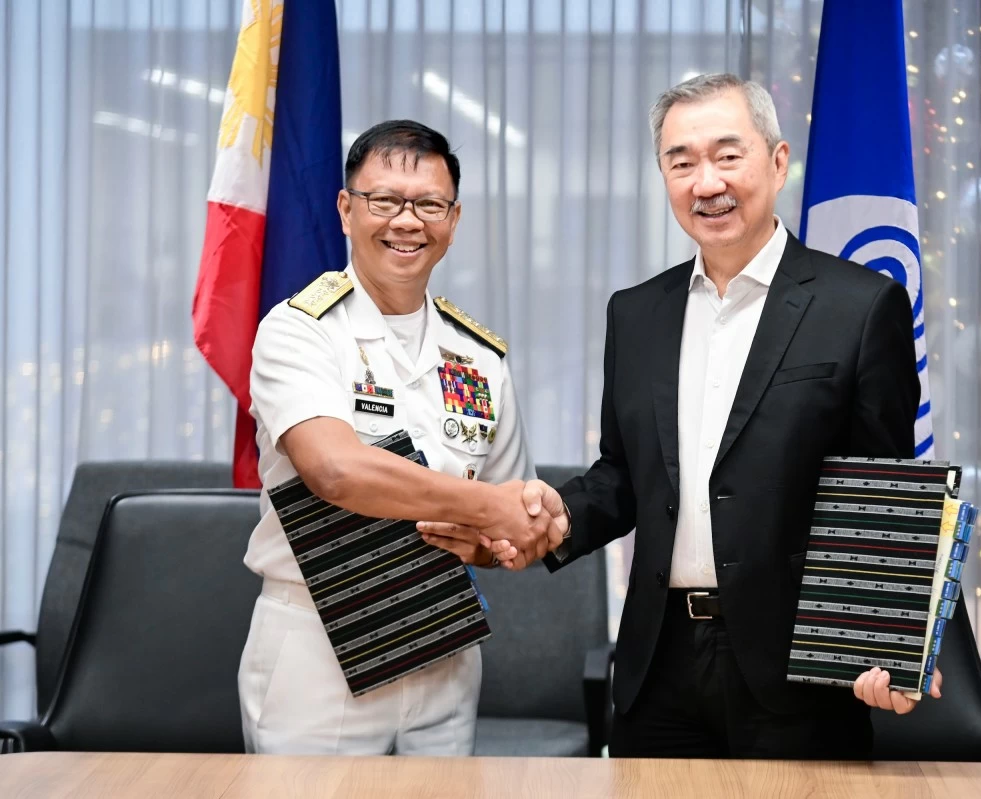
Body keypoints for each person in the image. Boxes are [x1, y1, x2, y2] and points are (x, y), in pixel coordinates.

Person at [427, 73, 941, 759]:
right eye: (681, 162)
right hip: (657, 666)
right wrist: (558, 517)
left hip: (798, 674)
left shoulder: (862, 305)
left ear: (778, 162)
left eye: (728, 155)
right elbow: (622, 477)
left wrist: (888, 644)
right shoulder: (637, 312)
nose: (707, 182)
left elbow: (880, 493)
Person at [237, 120, 559, 756]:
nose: (407, 222)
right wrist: (488, 507)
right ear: (346, 209)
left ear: (453, 220)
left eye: (430, 205)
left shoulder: (479, 357)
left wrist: (499, 538)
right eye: (384, 201)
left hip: (444, 646)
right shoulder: (300, 331)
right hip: (318, 649)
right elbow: (336, 471)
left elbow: (508, 527)